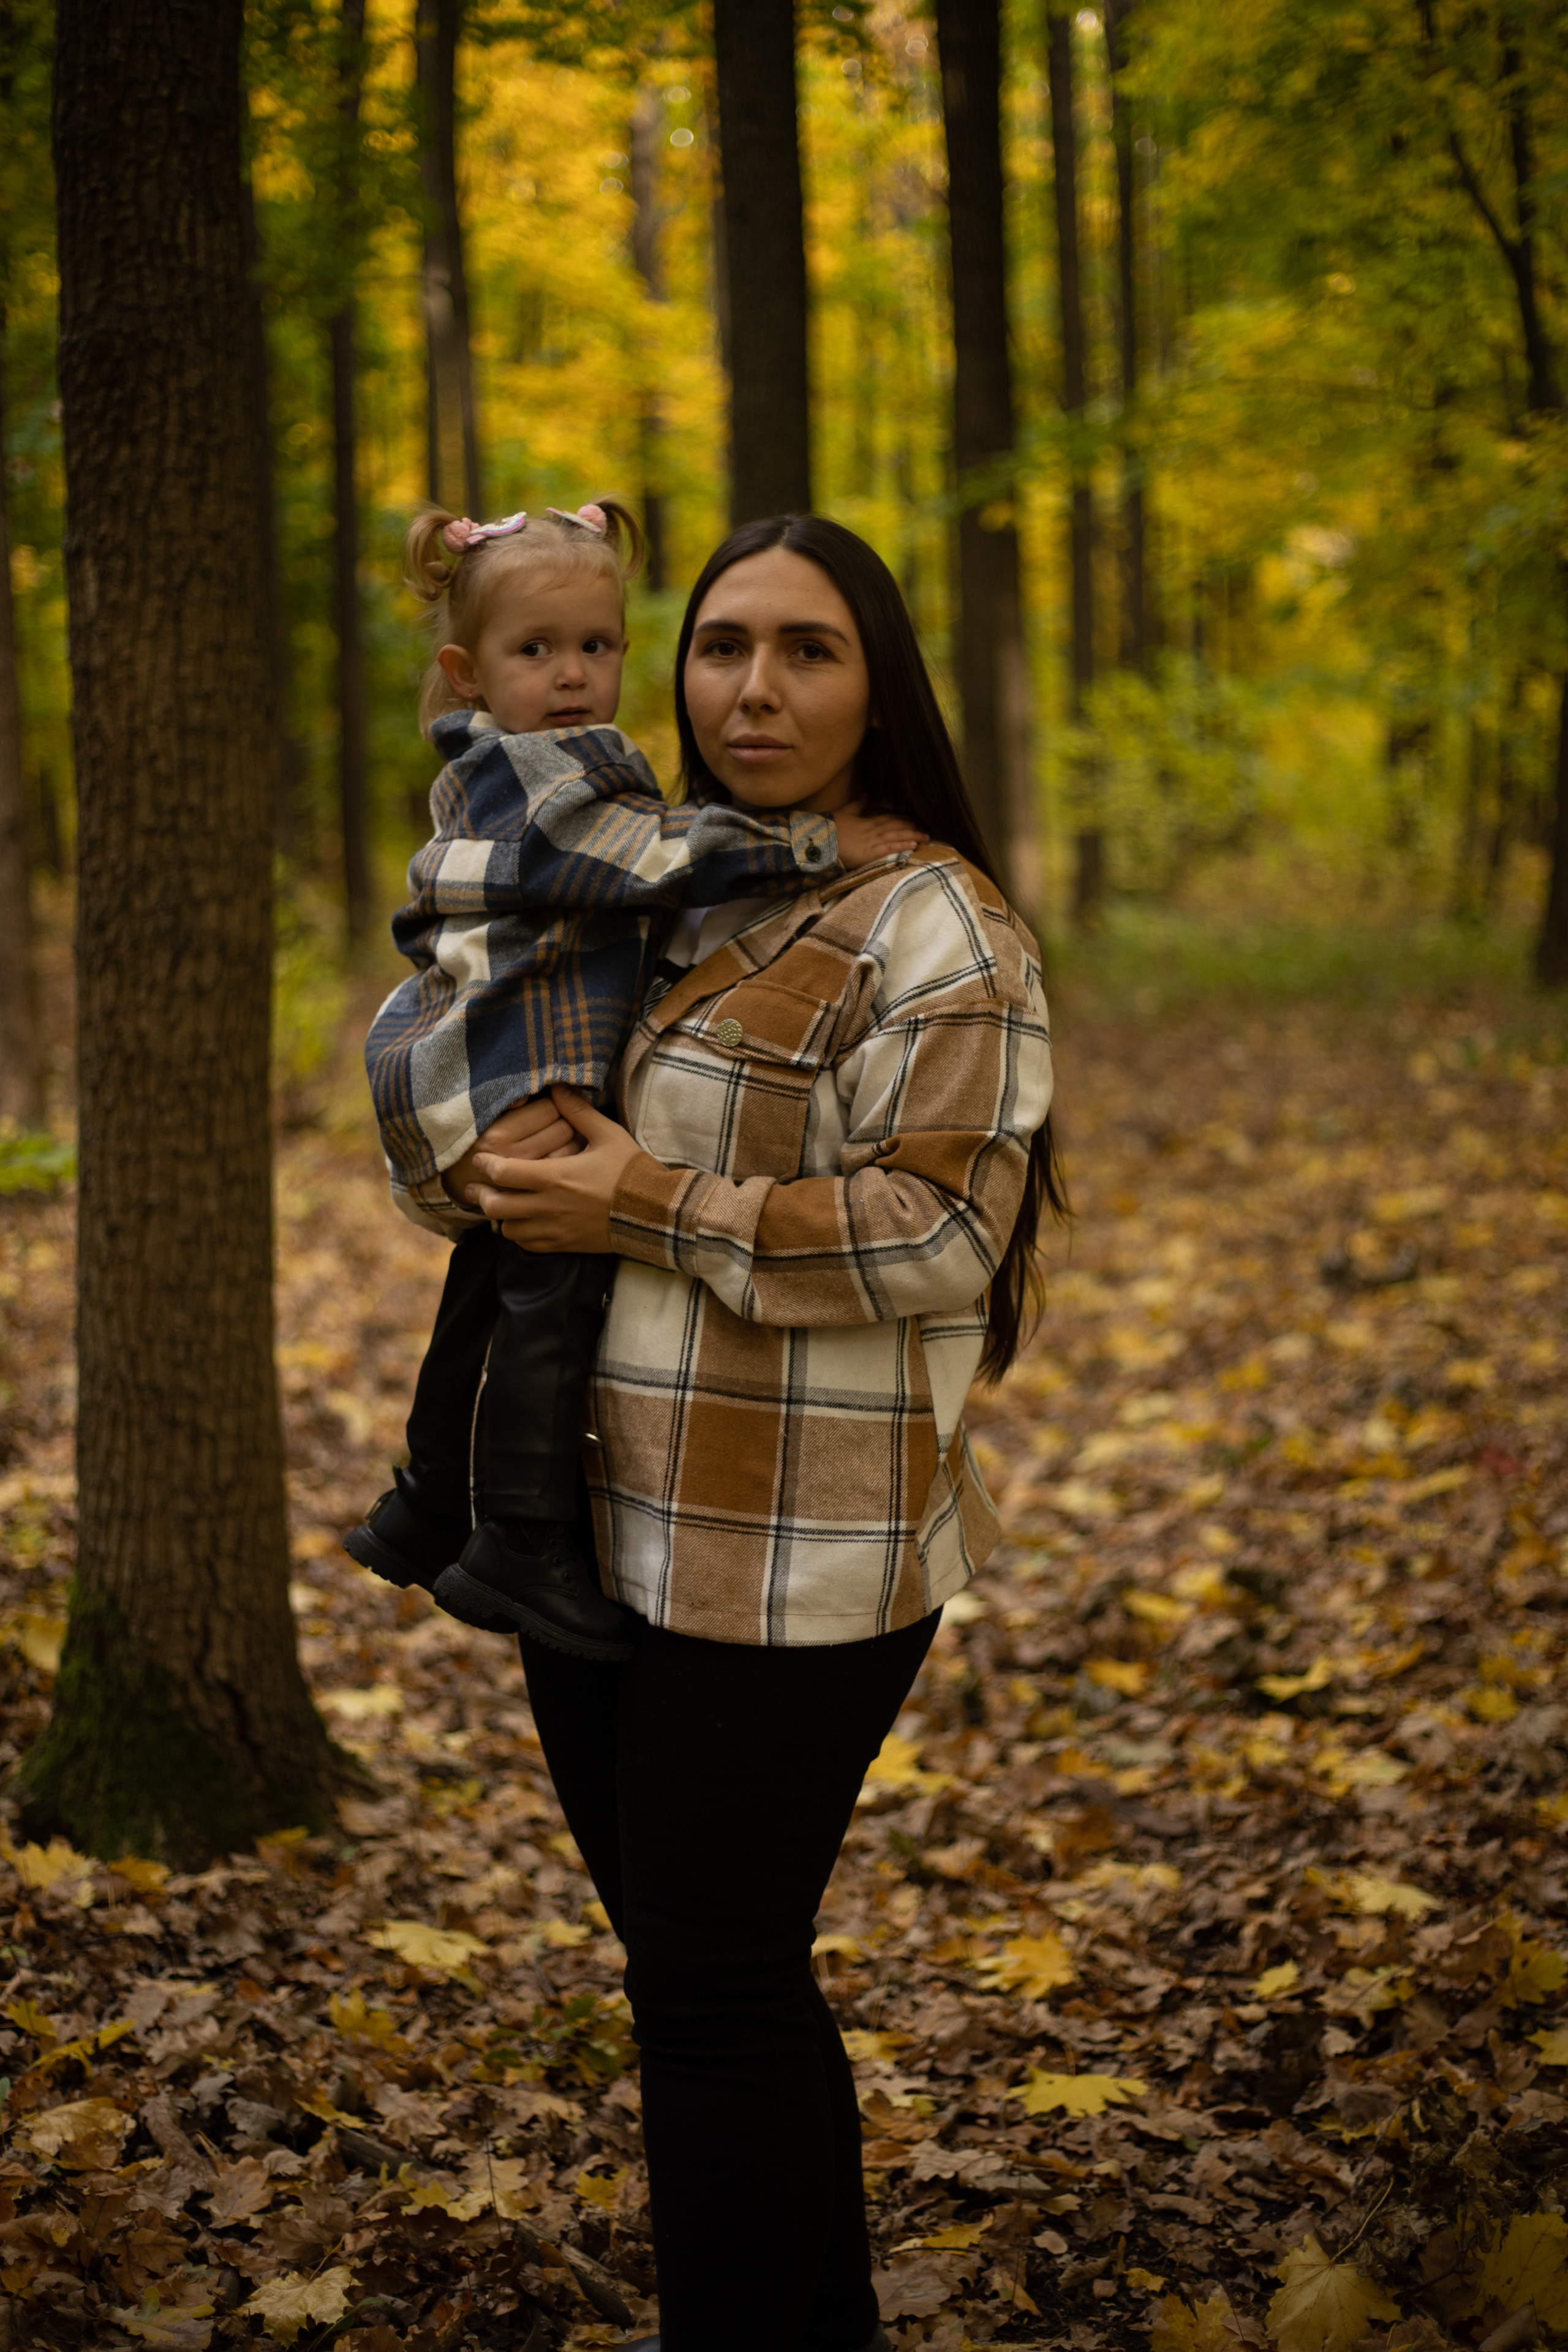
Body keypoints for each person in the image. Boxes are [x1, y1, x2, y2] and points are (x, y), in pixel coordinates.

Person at [450, 516, 1061, 2352]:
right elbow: (505, 1068)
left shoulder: (940, 926)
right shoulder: (676, 882)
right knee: (716, 1978)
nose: (755, 688)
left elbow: (944, 1235)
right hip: (606, 1526)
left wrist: (651, 1203)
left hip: (805, 1552)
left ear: (880, 681)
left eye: (807, 650)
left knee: (706, 1991)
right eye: (722, 647)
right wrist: (483, 1163)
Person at [345, 499, 923, 1660]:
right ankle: (516, 1526)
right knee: (549, 1296)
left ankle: (425, 1498)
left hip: (520, 1049)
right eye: (535, 650)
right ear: (468, 670)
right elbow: (646, 857)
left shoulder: (523, 760)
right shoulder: (532, 773)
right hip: (529, 1054)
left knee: (493, 1275)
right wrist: (816, 846)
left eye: (596, 647)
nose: (572, 676)